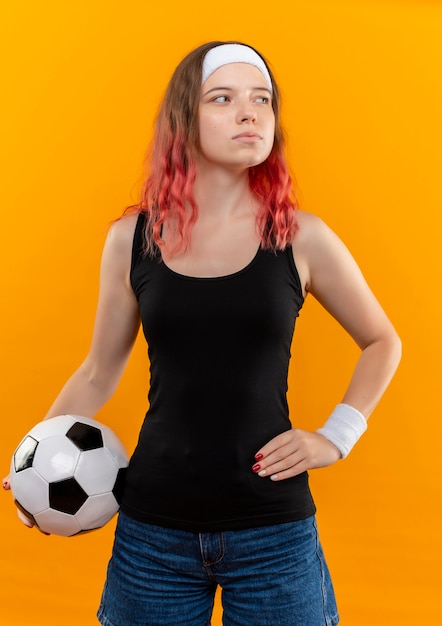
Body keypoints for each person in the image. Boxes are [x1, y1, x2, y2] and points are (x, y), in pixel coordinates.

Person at [3, 41, 401, 625]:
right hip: (152, 536)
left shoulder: (302, 238)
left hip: (274, 536)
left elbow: (382, 340)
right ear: (183, 120)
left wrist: (336, 437)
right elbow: (97, 372)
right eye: (224, 98)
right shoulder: (131, 240)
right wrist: (34, 462)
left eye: (262, 100)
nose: (250, 113)